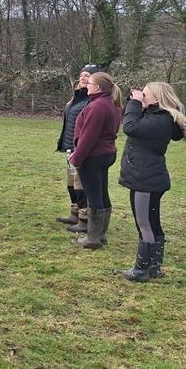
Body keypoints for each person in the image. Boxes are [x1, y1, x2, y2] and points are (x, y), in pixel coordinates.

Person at [118, 82, 186, 281]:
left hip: (145, 180)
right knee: (152, 223)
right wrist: (136, 105)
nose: (140, 96)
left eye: (144, 94)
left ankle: (142, 269)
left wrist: (135, 105)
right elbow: (129, 120)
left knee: (144, 224)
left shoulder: (160, 120)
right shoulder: (156, 116)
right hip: (148, 177)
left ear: (157, 99)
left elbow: (129, 127)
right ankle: (153, 267)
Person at [69, 71, 123, 249]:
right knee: (102, 194)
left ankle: (92, 238)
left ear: (97, 87)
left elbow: (88, 137)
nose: (87, 85)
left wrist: (76, 158)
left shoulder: (97, 106)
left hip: (93, 156)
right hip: (105, 154)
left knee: (94, 197)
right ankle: (101, 235)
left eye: (90, 83)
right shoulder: (111, 104)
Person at [54, 65, 100, 233]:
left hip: (81, 149)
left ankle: (84, 219)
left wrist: (78, 148)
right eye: (81, 75)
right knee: (71, 184)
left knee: (81, 186)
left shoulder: (92, 100)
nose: (82, 78)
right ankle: (74, 213)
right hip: (69, 147)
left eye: (87, 75)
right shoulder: (77, 97)